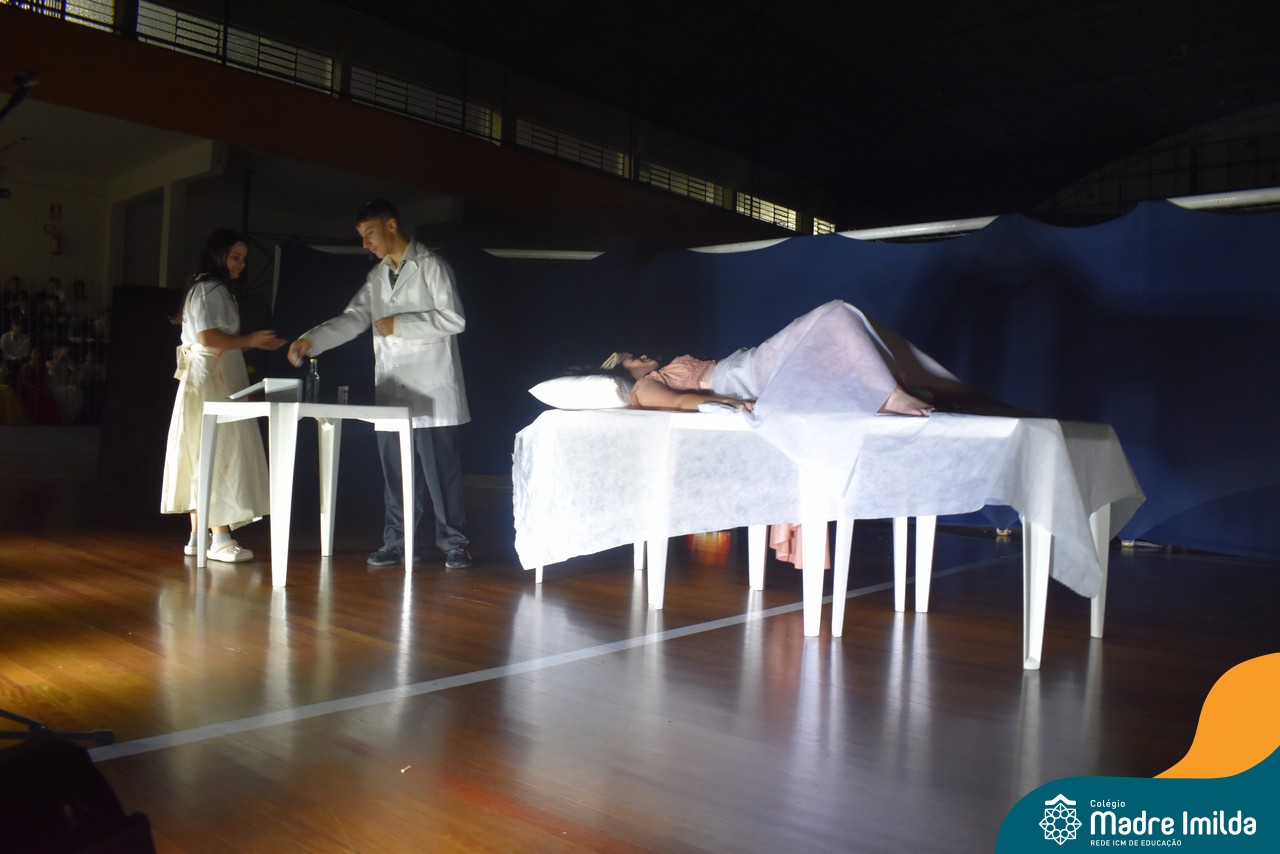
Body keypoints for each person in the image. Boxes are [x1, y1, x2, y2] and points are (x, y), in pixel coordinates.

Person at [287, 199, 473, 570]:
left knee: (441, 474)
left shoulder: (431, 265)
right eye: (361, 236)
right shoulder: (377, 277)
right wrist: (312, 340)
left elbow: (454, 319)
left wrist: (401, 324)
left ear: (391, 225)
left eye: (369, 233)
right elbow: (354, 318)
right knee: (396, 473)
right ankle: (398, 542)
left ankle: (455, 544)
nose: (365, 243)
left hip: (432, 386)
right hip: (392, 387)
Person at [160, 229, 285, 562]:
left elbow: (216, 338)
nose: (241, 264)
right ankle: (219, 537)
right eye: (235, 257)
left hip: (217, 376)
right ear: (218, 256)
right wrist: (250, 340)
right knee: (215, 451)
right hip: (211, 380)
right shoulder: (208, 288)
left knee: (205, 450)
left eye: (244, 258)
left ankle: (199, 535)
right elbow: (208, 336)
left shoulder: (215, 289)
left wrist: (252, 343)